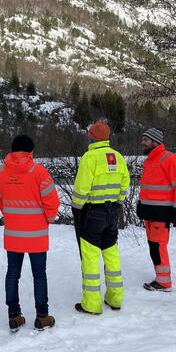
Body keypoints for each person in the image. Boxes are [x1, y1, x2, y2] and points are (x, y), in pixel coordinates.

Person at [0, 135, 60, 332]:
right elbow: (52, 200)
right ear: (30, 152)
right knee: (39, 275)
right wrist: (49, 218)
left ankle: (14, 315)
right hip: (36, 234)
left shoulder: (1, 172)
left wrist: (10, 213)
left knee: (13, 273)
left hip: (13, 233)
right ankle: (42, 316)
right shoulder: (38, 171)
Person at [71, 121, 130, 314]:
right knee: (111, 254)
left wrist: (77, 208)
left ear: (93, 137)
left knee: (90, 256)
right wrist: (117, 204)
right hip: (112, 212)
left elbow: (81, 188)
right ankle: (115, 298)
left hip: (91, 212)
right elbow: (124, 185)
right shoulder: (119, 158)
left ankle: (92, 303)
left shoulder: (90, 157)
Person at [137, 128, 176, 292]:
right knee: (153, 246)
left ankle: (164, 282)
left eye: (146, 139)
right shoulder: (149, 161)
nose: (142, 142)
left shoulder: (170, 159)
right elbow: (148, 188)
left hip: (161, 213)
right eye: (143, 139)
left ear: (155, 141)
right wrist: (141, 205)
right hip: (149, 212)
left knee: (158, 247)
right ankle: (161, 279)